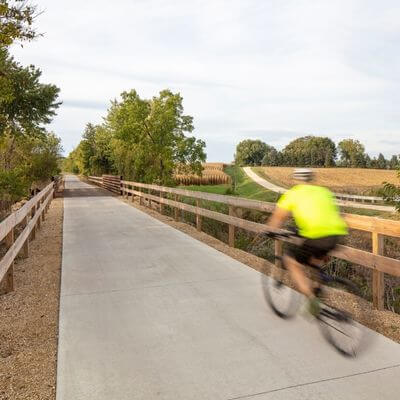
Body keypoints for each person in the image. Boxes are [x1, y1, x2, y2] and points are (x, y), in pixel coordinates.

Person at [266, 168, 348, 315]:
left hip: (316, 236)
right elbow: (331, 214)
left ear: (295, 179)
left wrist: (270, 230)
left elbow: (278, 217)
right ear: (312, 179)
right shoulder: (324, 192)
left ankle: (312, 301)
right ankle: (317, 289)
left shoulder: (293, 193)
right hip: (336, 234)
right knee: (315, 261)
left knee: (290, 260)